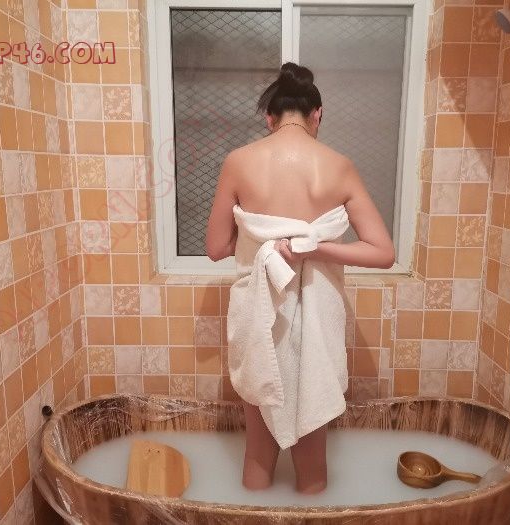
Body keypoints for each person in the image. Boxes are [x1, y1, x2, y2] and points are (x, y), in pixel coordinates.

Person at [205, 62, 395, 495]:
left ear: (269, 118)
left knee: (257, 453)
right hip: (316, 317)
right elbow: (383, 252)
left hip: (260, 315)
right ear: (317, 115)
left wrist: (260, 242)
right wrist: (316, 247)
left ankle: (250, 514)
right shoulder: (340, 166)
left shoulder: (238, 162)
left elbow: (216, 248)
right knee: (313, 456)